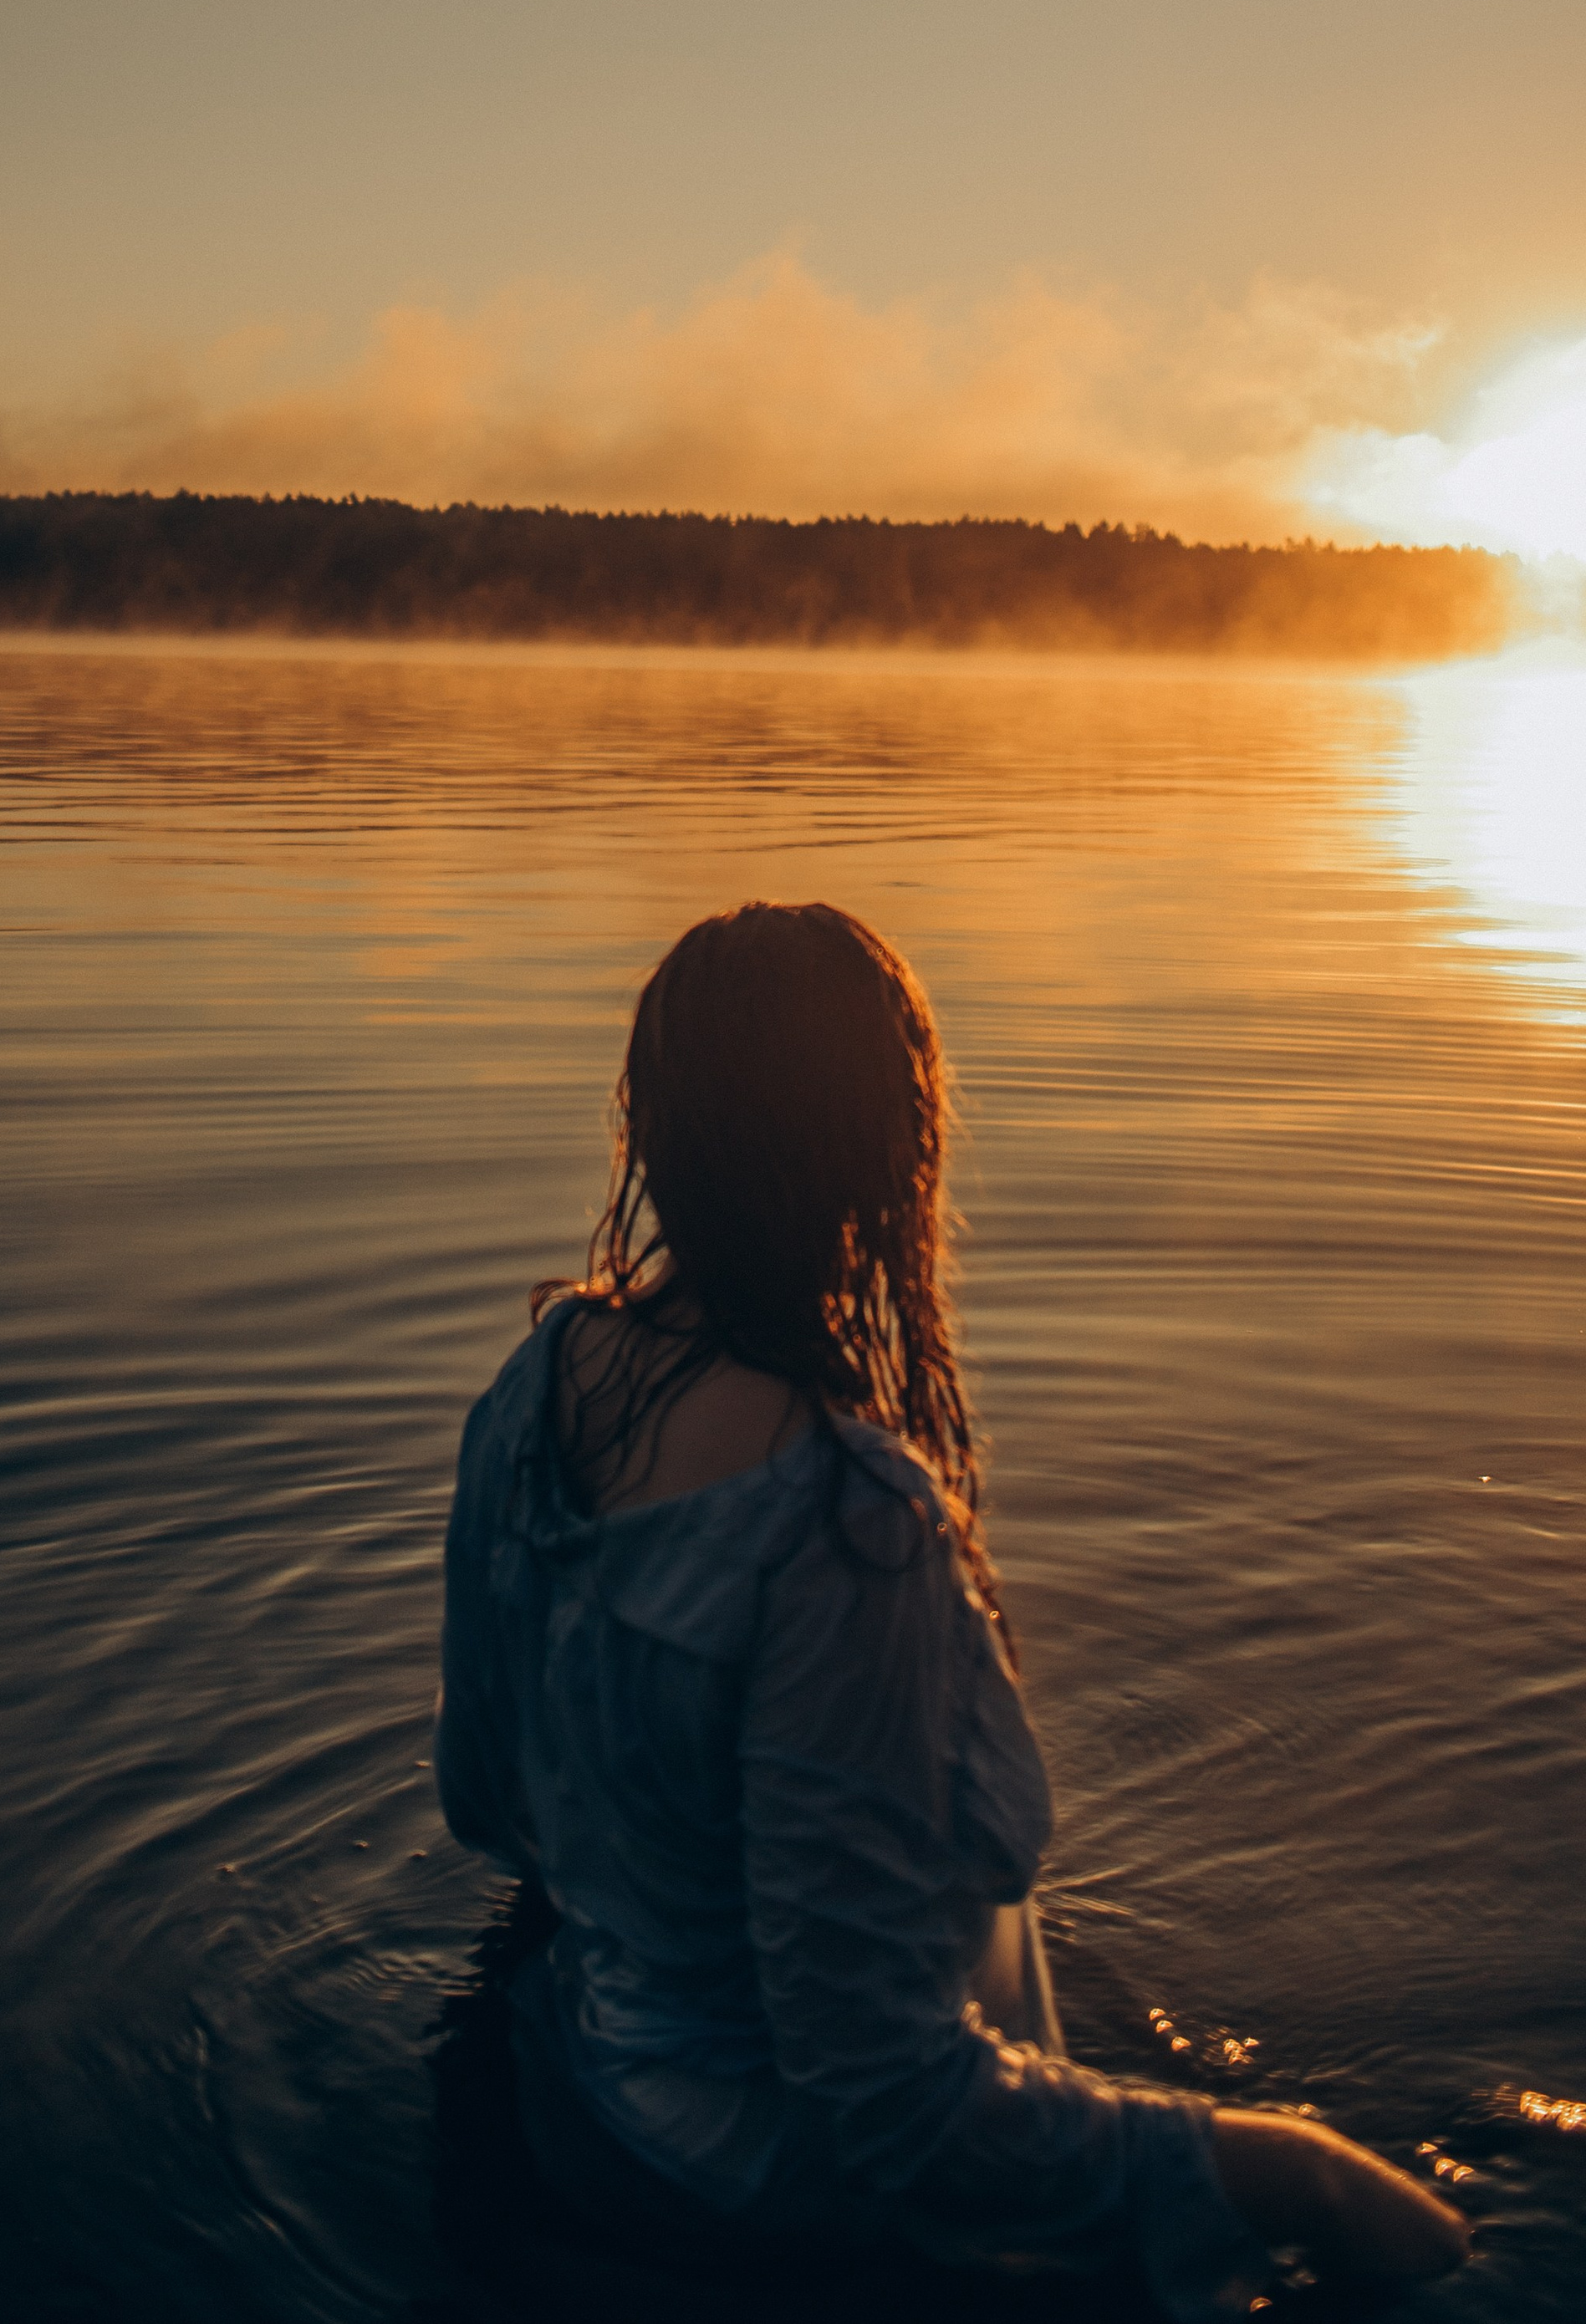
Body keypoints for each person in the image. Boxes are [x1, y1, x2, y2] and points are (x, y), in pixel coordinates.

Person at [435, 903, 1468, 2318]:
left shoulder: (531, 1393)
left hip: (577, 2098)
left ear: (653, 1134)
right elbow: (881, 2097)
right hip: (778, 2203)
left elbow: (487, 1808)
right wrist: (1290, 2171)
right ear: (882, 1161)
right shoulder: (847, 1526)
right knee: (1399, 2228)